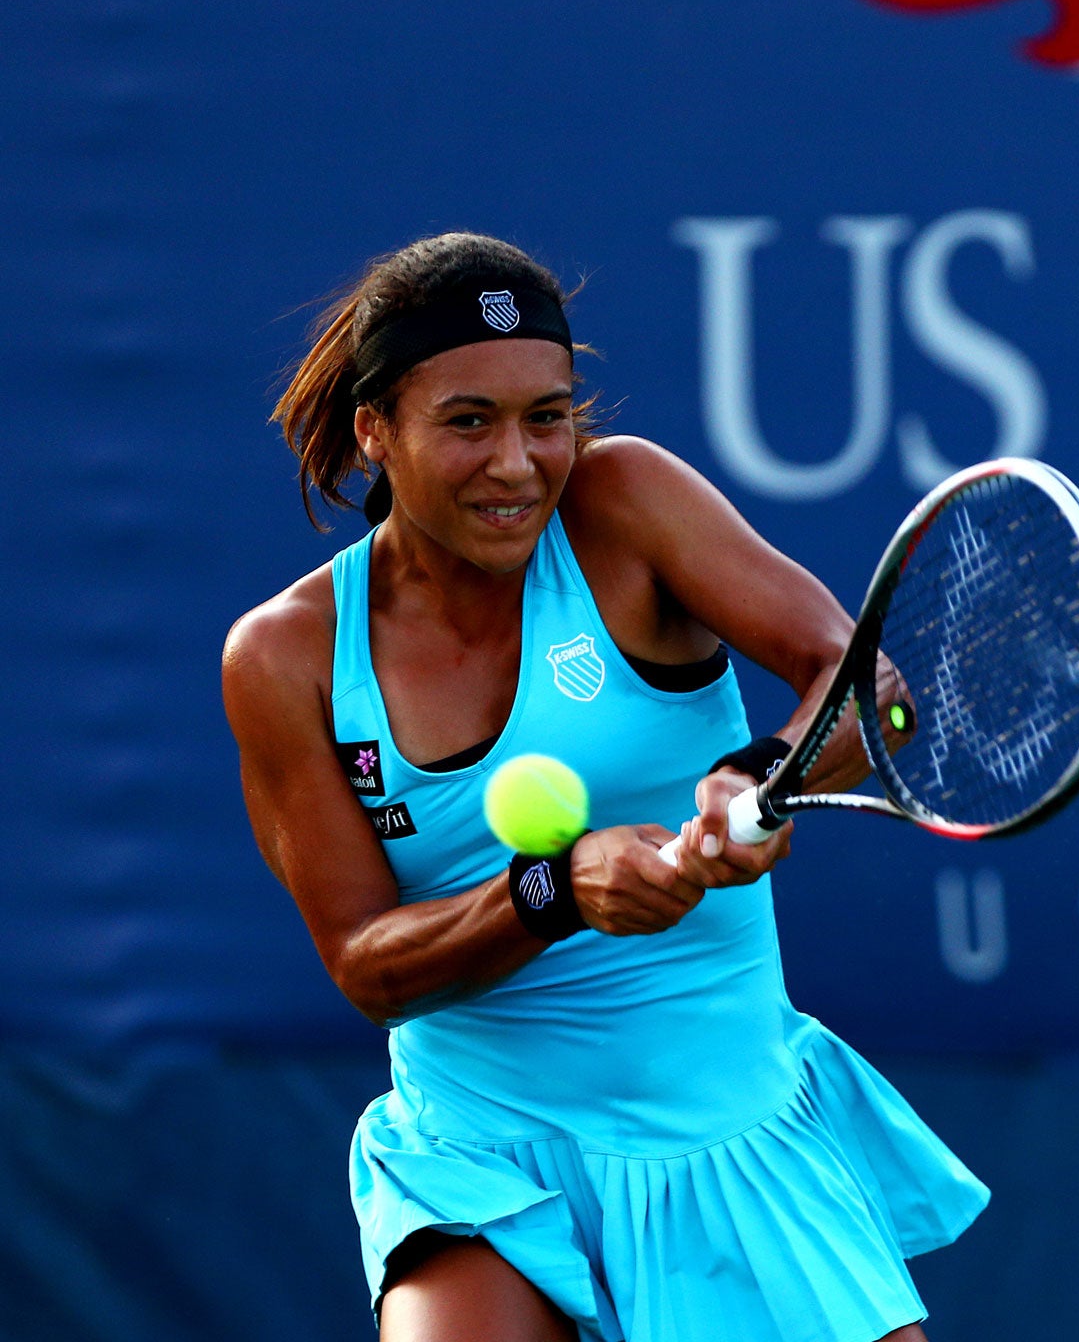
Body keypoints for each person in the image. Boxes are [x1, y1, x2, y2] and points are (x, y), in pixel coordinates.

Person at [222, 232, 987, 1342]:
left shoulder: (624, 502)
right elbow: (365, 965)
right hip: (477, 1152)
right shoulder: (287, 658)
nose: (521, 462)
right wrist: (556, 892)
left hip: (725, 1125)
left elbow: (870, 688)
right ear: (374, 432)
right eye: (468, 421)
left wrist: (752, 777)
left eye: (548, 415)